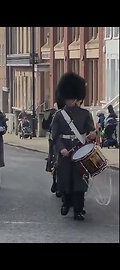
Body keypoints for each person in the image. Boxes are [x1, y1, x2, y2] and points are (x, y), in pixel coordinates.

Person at [51, 72, 96, 221]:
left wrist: (93, 135)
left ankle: (78, 209)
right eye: (67, 98)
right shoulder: (59, 115)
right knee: (65, 179)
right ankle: (66, 203)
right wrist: (61, 148)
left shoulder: (85, 114)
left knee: (79, 181)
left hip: (80, 151)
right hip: (65, 152)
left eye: (71, 98)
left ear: (76, 97)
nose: (69, 100)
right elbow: (55, 135)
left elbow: (90, 130)